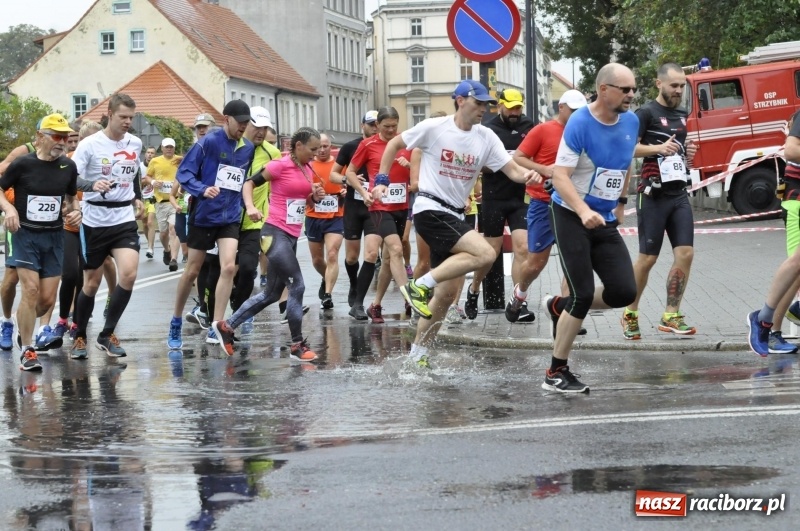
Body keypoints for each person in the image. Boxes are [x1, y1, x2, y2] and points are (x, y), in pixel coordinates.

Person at [378, 80, 540, 368]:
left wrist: (529, 176)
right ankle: (419, 285)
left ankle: (417, 356)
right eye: (478, 103)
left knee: (446, 296)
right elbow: (394, 144)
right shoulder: (435, 127)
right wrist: (382, 180)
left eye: (486, 104)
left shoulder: (486, 136)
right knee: (486, 253)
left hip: (456, 214)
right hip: (430, 207)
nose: (483, 109)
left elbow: (513, 170)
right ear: (460, 101)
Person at [541, 63, 639, 393]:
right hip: (570, 213)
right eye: (625, 89)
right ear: (603, 89)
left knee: (624, 291)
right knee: (581, 295)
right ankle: (555, 372)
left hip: (603, 218)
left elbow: (625, 163)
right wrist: (583, 211)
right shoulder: (580, 123)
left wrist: (621, 202)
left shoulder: (631, 121)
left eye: (633, 89)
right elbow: (560, 176)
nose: (631, 94)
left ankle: (558, 306)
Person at [212, 127, 325, 361]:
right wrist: (250, 207)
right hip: (274, 233)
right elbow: (248, 184)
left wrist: (313, 198)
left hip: (291, 235)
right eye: (312, 149)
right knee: (297, 285)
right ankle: (297, 345)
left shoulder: (306, 168)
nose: (316, 153)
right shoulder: (280, 165)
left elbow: (301, 200)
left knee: (272, 294)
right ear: (298, 146)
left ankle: (227, 326)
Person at [168, 100, 254, 349]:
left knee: (228, 267)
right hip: (204, 216)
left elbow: (241, 180)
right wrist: (202, 189)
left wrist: (246, 206)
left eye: (247, 123)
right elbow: (184, 173)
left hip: (230, 218)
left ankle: (217, 326)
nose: (244, 127)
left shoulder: (247, 148)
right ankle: (175, 321)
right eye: (240, 122)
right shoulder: (208, 142)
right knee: (192, 271)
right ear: (227, 119)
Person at [622, 63, 699, 340]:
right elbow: (628, 148)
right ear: (659, 84)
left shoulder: (682, 115)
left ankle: (671, 315)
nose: (678, 90)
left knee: (686, 253)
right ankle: (630, 312)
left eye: (682, 86)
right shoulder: (645, 113)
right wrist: (658, 148)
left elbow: (679, 155)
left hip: (678, 194)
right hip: (652, 195)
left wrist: (688, 153)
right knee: (648, 259)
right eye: (674, 85)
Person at [0, 113, 80, 370]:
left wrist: (75, 212)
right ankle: (27, 350)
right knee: (30, 290)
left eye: (65, 137)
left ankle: (21, 320)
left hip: (54, 237)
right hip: (25, 234)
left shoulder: (68, 167)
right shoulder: (23, 164)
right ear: (40, 137)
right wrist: (8, 209)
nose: (62, 142)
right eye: (57, 136)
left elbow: (71, 198)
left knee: (45, 301)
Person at [70, 93, 145, 360]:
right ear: (110, 115)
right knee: (91, 283)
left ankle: (107, 334)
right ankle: (79, 336)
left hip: (123, 218)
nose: (127, 122)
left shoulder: (134, 142)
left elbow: (133, 171)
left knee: (129, 274)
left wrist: (137, 196)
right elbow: (70, 178)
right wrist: (92, 185)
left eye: (131, 118)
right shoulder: (90, 145)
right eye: (123, 117)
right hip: (95, 219)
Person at [509, 89, 588, 326]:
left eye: (580, 111)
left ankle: (566, 315)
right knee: (536, 263)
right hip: (544, 203)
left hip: (573, 205)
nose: (577, 115)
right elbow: (518, 157)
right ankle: (519, 293)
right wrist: (544, 169)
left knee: (573, 261)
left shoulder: (585, 131)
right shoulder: (543, 130)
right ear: (561, 107)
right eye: (573, 110)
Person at [463, 88, 536, 321]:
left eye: (518, 108)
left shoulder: (528, 126)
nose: (515, 112)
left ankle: (518, 302)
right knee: (490, 253)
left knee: (523, 249)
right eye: (511, 107)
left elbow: (535, 156)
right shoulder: (487, 129)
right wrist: (503, 162)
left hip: (520, 198)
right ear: (500, 106)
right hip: (493, 198)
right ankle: (474, 290)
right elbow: (477, 164)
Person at [347, 107, 412, 322]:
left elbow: (417, 173)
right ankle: (409, 298)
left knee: (389, 258)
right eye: (386, 127)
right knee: (395, 249)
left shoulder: (406, 143)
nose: (391, 130)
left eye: (394, 126)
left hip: (401, 206)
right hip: (379, 207)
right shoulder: (368, 144)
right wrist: (363, 192)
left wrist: (409, 166)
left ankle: (375, 305)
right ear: (377, 125)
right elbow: (349, 172)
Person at [747, 109, 800, 356]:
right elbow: (791, 149)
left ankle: (780, 315)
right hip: (797, 199)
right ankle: (767, 322)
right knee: (797, 265)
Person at [230, 106, 281, 320]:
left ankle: (237, 314)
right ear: (246, 124)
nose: (261, 132)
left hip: (254, 221)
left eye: (265, 128)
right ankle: (208, 309)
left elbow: (280, 185)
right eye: (257, 127)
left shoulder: (272, 153)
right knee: (224, 268)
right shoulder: (232, 147)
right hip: (227, 220)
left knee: (248, 268)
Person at [330, 111, 379, 307]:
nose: (375, 128)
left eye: (377, 124)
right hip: (353, 206)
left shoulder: (385, 147)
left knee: (372, 254)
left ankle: (359, 298)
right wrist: (347, 179)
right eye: (371, 124)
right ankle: (353, 283)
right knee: (351, 257)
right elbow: (333, 175)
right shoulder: (351, 147)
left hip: (374, 207)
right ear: (362, 126)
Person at [307, 132, 345, 309]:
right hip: (313, 215)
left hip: (336, 215)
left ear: (331, 147)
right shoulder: (308, 165)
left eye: (326, 146)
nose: (322, 150)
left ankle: (328, 295)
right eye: (319, 147)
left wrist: (346, 190)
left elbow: (348, 182)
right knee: (317, 260)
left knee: (332, 254)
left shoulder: (339, 165)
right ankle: (326, 277)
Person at [143, 137, 181, 271]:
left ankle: (174, 259)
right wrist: (153, 182)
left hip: (175, 201)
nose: (169, 149)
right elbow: (147, 177)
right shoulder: (155, 161)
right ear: (162, 148)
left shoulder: (179, 160)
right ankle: (166, 250)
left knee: (173, 228)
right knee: (163, 233)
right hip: (161, 202)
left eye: (171, 147)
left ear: (174, 148)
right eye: (167, 147)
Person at [140, 146, 157, 259]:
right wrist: (145, 181)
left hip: (153, 197)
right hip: (143, 198)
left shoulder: (157, 166)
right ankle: (150, 244)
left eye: (152, 153)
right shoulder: (140, 166)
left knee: (150, 222)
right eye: (148, 152)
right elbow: (137, 183)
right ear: (145, 154)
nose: (150, 154)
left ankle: (150, 248)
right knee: (145, 224)